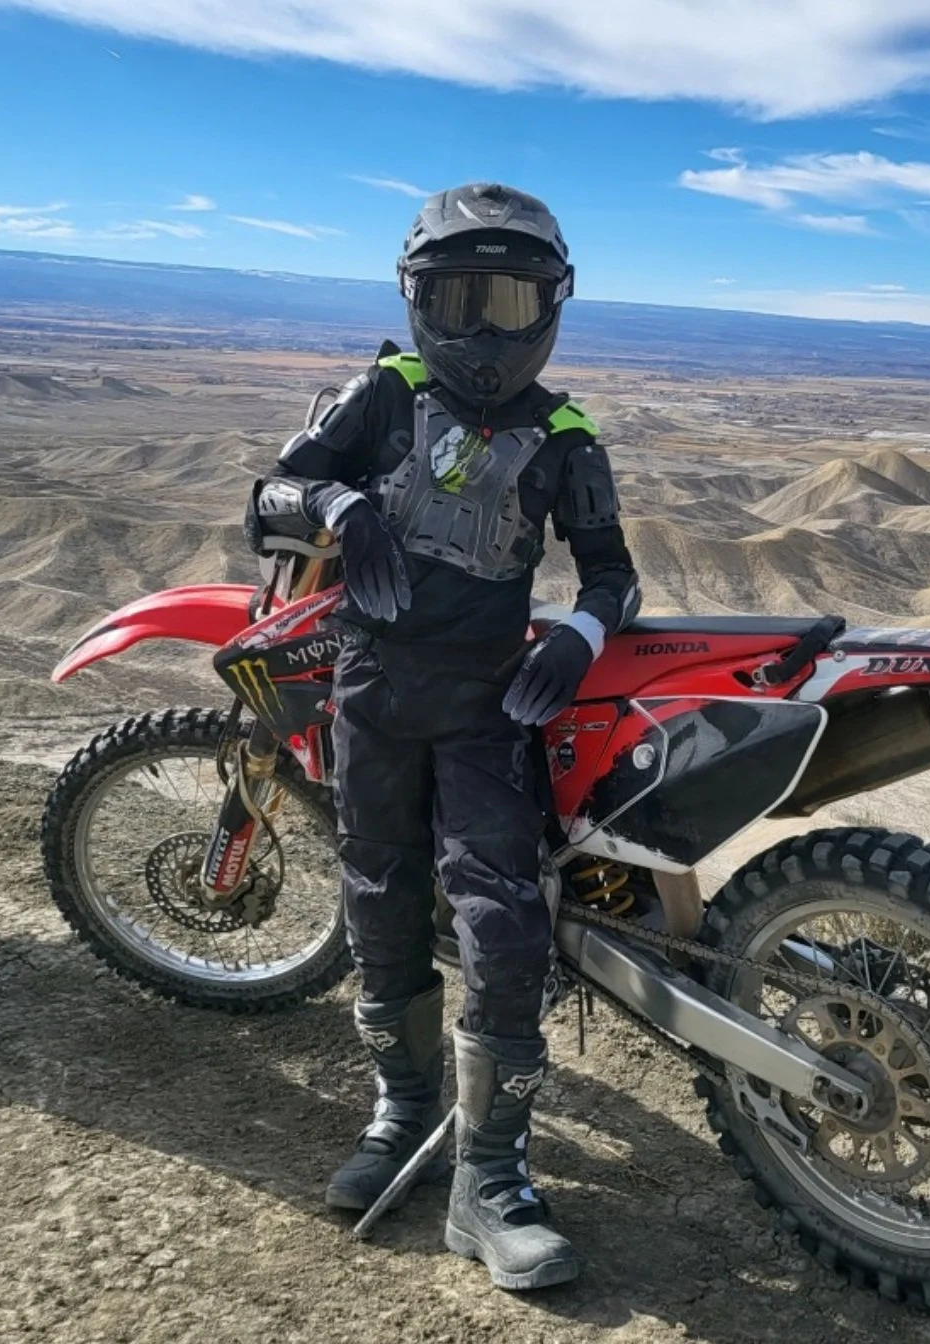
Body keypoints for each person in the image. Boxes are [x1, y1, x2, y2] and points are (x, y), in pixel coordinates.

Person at [245, 183, 641, 1290]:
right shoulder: (379, 393)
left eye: (510, 303)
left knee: (501, 923)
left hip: (485, 704)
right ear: (416, 298)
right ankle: (400, 1112)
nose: (482, 330)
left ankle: (490, 1178)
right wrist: (339, 509)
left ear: (551, 307)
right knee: (375, 896)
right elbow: (273, 490)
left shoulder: (564, 435)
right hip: (372, 691)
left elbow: (613, 573)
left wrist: (576, 629)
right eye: (459, 298)